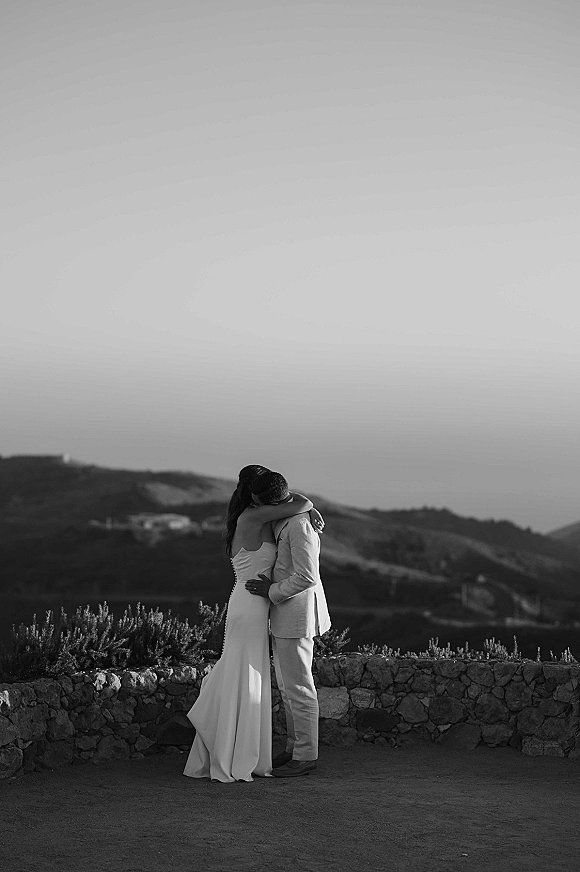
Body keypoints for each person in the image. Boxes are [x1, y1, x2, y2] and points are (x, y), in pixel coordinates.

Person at [183, 466, 324, 783]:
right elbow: (300, 502)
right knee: (263, 680)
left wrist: (310, 510)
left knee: (291, 686)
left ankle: (301, 754)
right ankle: (267, 749)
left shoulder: (279, 520)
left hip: (279, 609)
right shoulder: (259, 517)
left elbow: (306, 574)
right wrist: (311, 506)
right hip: (255, 607)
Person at [245, 472, 331, 777]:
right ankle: (295, 748)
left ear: (264, 502)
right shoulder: (294, 512)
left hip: (297, 616)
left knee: (299, 687)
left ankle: (306, 756)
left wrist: (271, 591)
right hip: (287, 617)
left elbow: (308, 576)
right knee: (287, 685)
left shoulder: (299, 525)